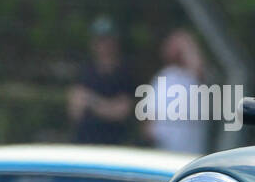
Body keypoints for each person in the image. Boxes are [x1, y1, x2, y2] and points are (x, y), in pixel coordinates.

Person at [67, 15, 136, 145]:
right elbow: (75, 110)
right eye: (99, 40)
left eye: (107, 40)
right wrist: (107, 106)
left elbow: (121, 112)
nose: (103, 45)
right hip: (84, 141)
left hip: (114, 143)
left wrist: (92, 102)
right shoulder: (84, 71)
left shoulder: (125, 74)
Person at [144, 29, 210, 154]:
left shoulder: (194, 77)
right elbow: (151, 114)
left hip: (189, 148)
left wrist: (186, 42)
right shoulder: (164, 76)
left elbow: (197, 66)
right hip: (163, 146)